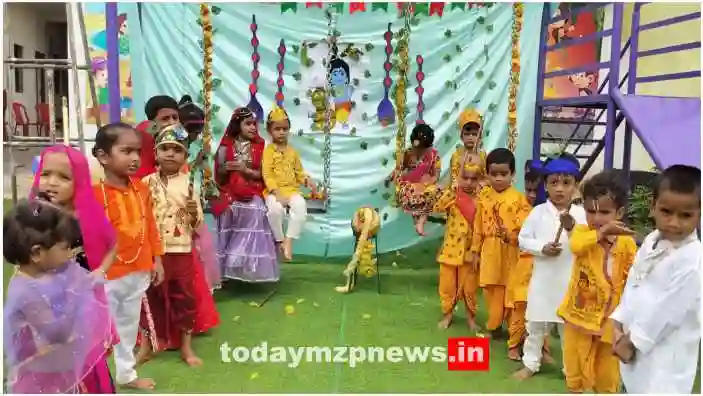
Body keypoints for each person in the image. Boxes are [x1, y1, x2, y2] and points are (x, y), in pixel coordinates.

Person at [29, 144, 119, 392]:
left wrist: (102, 270)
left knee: (87, 359)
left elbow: (113, 243)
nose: (52, 182)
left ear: (79, 180)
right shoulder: (31, 218)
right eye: (45, 174)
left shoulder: (87, 215)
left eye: (64, 177)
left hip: (82, 302)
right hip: (44, 302)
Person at [3, 199, 116, 393]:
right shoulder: (24, 291)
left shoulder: (46, 274)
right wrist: (77, 294)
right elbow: (58, 334)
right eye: (65, 248)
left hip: (53, 370)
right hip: (35, 380)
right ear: (37, 253)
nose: (71, 254)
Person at [610, 165, 701, 394]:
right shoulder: (652, 239)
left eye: (686, 215)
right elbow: (634, 280)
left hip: (664, 363)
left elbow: (669, 312)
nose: (674, 222)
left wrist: (633, 341)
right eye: (667, 211)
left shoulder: (692, 259)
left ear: (699, 213)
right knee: (631, 385)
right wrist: (619, 322)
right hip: (630, 348)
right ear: (653, 207)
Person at [92, 122, 165, 390]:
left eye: (138, 151)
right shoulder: (93, 194)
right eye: (126, 151)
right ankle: (92, 377)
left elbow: (151, 227)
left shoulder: (142, 190)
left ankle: (126, 375)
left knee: (127, 326)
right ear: (103, 156)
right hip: (107, 275)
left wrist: (157, 259)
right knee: (98, 331)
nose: (135, 158)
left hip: (139, 270)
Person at [556, 170, 637, 393]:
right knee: (576, 372)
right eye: (591, 211)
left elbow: (633, 280)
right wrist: (601, 234)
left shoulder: (627, 244)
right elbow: (575, 246)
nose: (597, 218)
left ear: (619, 212)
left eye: (605, 212)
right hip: (579, 317)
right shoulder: (583, 234)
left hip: (610, 322)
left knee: (607, 376)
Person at [137, 124, 206, 367]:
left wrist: (191, 214)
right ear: (155, 153)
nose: (170, 154)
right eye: (164, 149)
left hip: (181, 250)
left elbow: (197, 225)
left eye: (176, 150)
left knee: (184, 298)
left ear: (185, 156)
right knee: (149, 296)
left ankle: (186, 347)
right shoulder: (145, 183)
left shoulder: (190, 185)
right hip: (152, 252)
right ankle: (147, 346)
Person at [513, 155, 587, 380]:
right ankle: (530, 363)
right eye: (554, 183)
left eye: (566, 183)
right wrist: (542, 248)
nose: (560, 189)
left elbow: (585, 242)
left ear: (575, 186)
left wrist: (573, 230)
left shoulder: (581, 215)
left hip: (569, 280)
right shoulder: (537, 213)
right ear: (545, 185)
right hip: (543, 280)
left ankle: (570, 370)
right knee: (535, 323)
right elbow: (523, 239)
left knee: (568, 329)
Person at [469, 148, 531, 339]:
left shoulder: (519, 199)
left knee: (511, 289)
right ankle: (494, 326)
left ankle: (515, 333)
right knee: (492, 289)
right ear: (487, 174)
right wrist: (475, 251)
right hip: (490, 250)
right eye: (493, 174)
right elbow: (478, 226)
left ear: (512, 174)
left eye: (503, 174)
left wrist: (513, 235)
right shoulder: (483, 198)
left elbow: (526, 225)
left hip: (511, 249)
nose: (498, 178)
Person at [213, 107, 279, 282]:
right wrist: (224, 169)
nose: (253, 128)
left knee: (255, 208)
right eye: (248, 124)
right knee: (226, 210)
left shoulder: (261, 146)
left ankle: (244, 264)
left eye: (254, 124)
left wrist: (245, 170)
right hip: (228, 190)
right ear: (237, 125)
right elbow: (218, 175)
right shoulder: (225, 146)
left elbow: (264, 176)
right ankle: (226, 269)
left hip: (253, 188)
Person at [506, 160, 553, 361]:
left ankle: (543, 349)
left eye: (536, 191)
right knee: (520, 307)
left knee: (544, 308)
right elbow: (515, 236)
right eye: (528, 190)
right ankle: (513, 346)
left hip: (544, 267)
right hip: (524, 266)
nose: (532, 195)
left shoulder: (551, 213)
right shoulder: (520, 208)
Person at [433, 143, 483, 331]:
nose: (469, 183)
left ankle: (471, 319)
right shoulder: (453, 195)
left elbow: (481, 227)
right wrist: (452, 190)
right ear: (458, 176)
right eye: (465, 178)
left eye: (474, 179)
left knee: (469, 288)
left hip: (470, 253)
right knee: (447, 286)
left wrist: (477, 251)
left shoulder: (482, 199)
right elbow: (437, 207)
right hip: (450, 251)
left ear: (480, 179)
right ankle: (448, 315)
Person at [262, 104, 317, 261]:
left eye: (284, 129)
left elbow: (299, 173)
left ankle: (289, 240)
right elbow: (267, 174)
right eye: (277, 129)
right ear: (270, 131)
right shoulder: (268, 151)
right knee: (274, 210)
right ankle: (279, 240)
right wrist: (277, 193)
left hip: (292, 190)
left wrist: (307, 181)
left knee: (300, 208)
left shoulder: (292, 152)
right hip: (274, 192)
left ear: (288, 130)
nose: (281, 132)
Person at [386, 123, 442, 236]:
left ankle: (421, 220)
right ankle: (418, 219)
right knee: (412, 192)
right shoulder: (407, 153)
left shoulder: (434, 156)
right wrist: (390, 177)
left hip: (424, 188)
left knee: (438, 191)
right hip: (408, 190)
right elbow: (398, 169)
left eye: (423, 149)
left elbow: (436, 176)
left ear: (429, 146)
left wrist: (427, 182)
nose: (419, 151)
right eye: (417, 148)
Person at [134, 95, 180, 179]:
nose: (172, 122)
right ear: (151, 123)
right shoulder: (142, 138)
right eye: (165, 119)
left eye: (175, 117)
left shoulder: (176, 139)